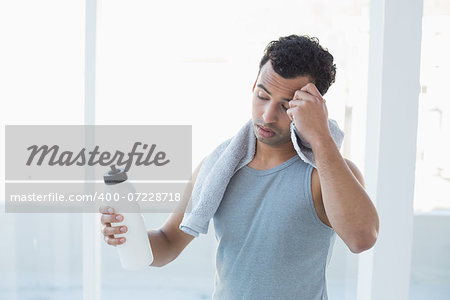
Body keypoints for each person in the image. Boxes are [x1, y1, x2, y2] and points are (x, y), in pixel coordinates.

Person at [99, 34, 379, 299]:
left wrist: (321, 137)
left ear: (313, 107)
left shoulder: (325, 175)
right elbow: (167, 245)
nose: (267, 115)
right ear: (254, 85)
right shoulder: (217, 167)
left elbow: (361, 239)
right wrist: (129, 234)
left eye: (286, 106)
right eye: (262, 95)